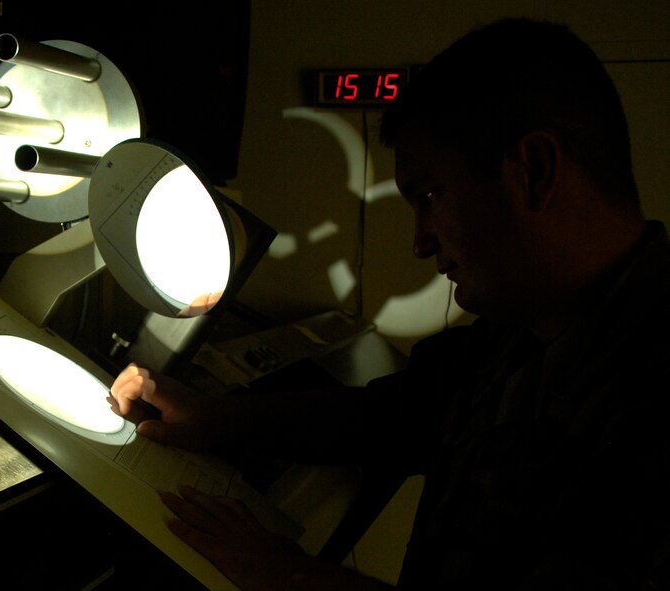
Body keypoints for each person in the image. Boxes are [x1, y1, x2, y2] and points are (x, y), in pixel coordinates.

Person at [109, 17, 670, 590]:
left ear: (534, 171)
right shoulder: (514, 336)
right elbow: (388, 418)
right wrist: (213, 418)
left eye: (430, 197)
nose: (421, 241)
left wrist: (289, 575)